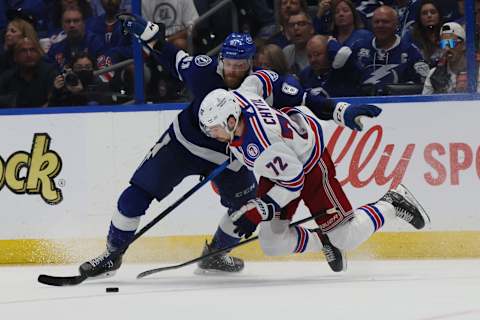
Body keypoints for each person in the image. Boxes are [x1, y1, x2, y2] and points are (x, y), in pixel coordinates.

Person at [77, 14, 382, 279]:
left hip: (233, 156)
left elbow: (306, 100)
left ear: (250, 62)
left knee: (245, 211)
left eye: (241, 64)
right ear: (221, 59)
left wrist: (342, 111)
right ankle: (112, 254)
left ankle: (216, 255)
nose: (235, 70)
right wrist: (148, 34)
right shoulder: (202, 71)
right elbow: (170, 55)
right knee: (134, 197)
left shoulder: (260, 84)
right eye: (230, 63)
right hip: (182, 146)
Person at [198, 88, 430, 268]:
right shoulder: (239, 98)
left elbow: (294, 181)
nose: (211, 134)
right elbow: (261, 80)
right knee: (271, 242)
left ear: (230, 120)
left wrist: (260, 209)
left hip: (310, 167)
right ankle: (324, 240)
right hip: (281, 165)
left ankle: (391, 203)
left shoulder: (260, 143)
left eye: (214, 128)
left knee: (346, 238)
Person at [0, 36, 56, 108]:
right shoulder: (7, 77)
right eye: (23, 51)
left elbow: (55, 101)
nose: (29, 55)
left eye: (32, 50)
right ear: (15, 57)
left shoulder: (50, 73)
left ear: (39, 54)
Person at [422, 22, 473, 94]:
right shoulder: (433, 74)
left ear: (463, 45)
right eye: (443, 44)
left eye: (451, 43)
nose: (447, 49)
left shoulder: (476, 72)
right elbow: (425, 102)